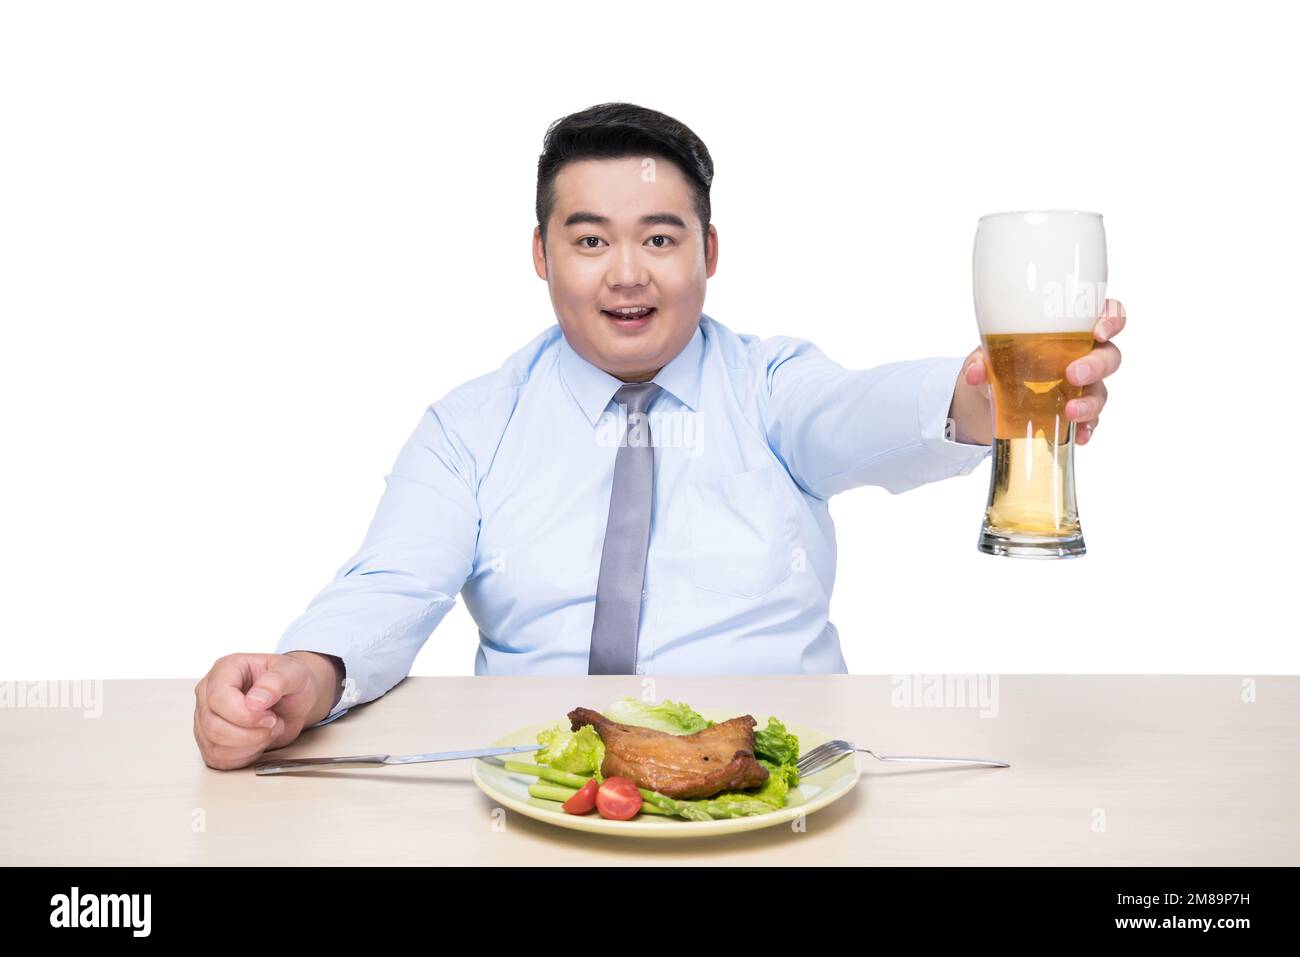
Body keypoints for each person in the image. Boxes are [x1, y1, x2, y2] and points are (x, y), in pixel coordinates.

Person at [194, 102, 1126, 770]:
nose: (626, 276)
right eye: (590, 240)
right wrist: (302, 679)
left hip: (779, 784)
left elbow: (865, 413)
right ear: (541, 254)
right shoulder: (471, 425)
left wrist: (985, 400)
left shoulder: (769, 385)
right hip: (549, 791)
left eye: (662, 239)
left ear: (710, 254)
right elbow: (392, 585)